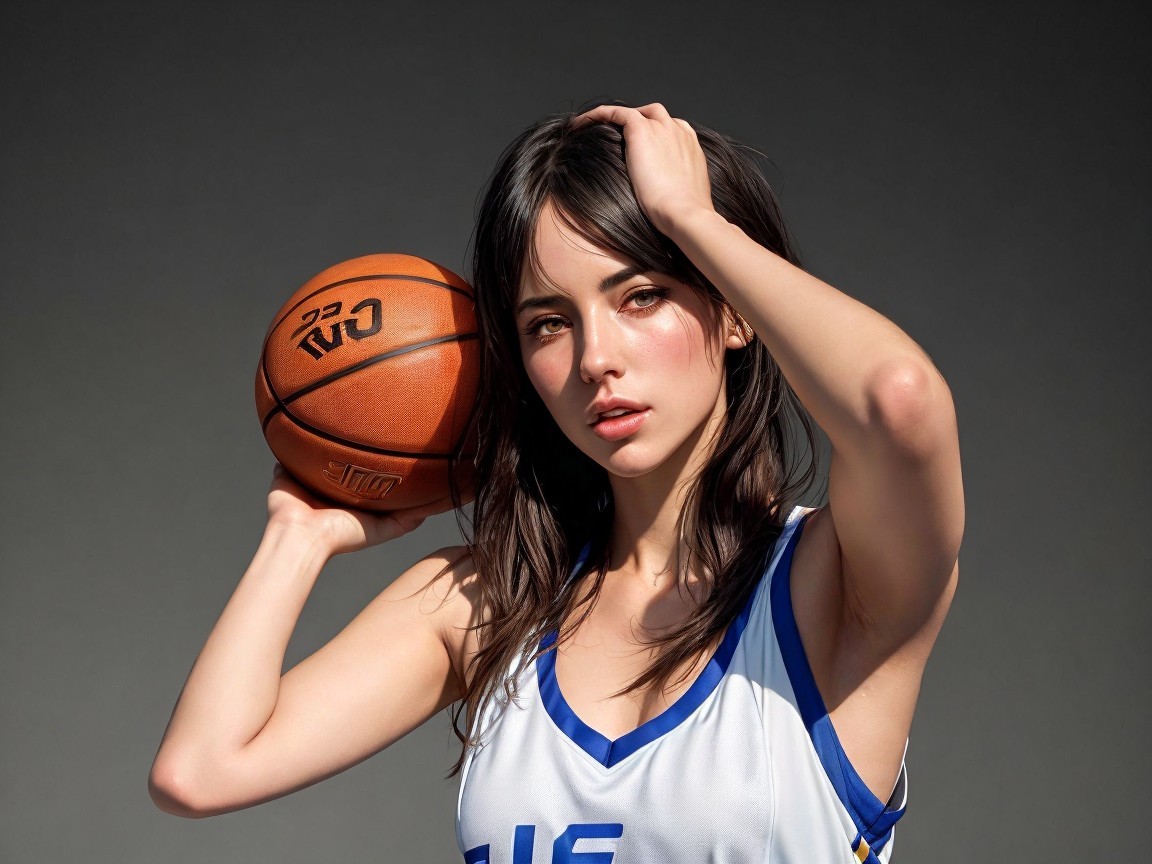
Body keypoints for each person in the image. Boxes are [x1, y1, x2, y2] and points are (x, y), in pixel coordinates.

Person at [149, 102, 964, 863]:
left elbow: (898, 400)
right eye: (549, 321)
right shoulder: (494, 601)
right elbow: (202, 770)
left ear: (735, 311)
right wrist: (301, 533)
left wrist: (692, 218)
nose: (595, 358)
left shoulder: (836, 584)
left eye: (642, 296)